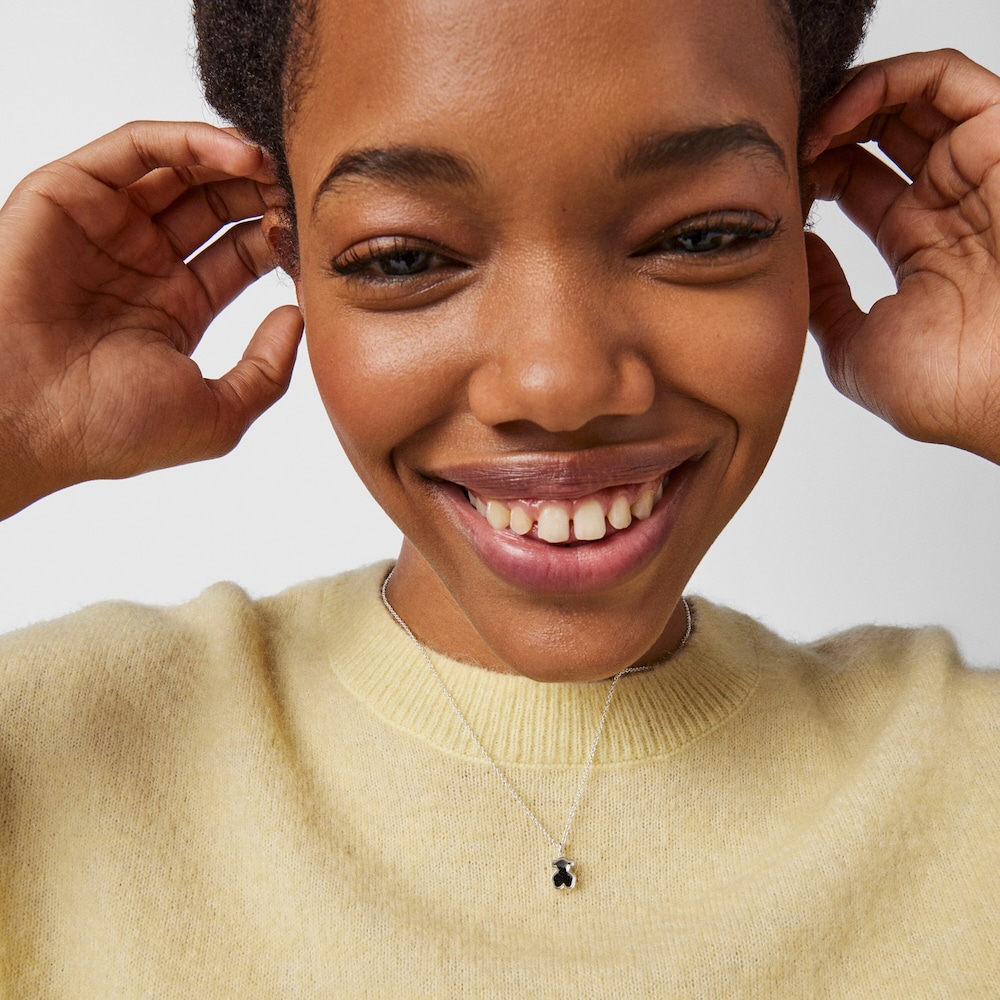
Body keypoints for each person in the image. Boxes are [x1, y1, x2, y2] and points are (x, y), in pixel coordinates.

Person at [1, 0, 998, 994]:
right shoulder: (58, 740)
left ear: (809, 212)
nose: (557, 385)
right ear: (287, 253)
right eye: (405, 258)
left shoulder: (967, 785)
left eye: (702, 235)